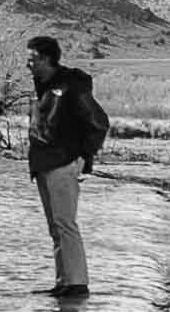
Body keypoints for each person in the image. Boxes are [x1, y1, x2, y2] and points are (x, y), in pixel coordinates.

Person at [24, 35, 109, 298]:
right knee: (56, 226)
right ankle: (64, 282)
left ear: (45, 58)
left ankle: (77, 283)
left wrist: (84, 157)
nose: (28, 64)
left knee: (65, 223)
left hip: (63, 162)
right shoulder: (44, 85)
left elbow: (99, 122)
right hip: (44, 163)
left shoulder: (71, 86)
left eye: (31, 58)